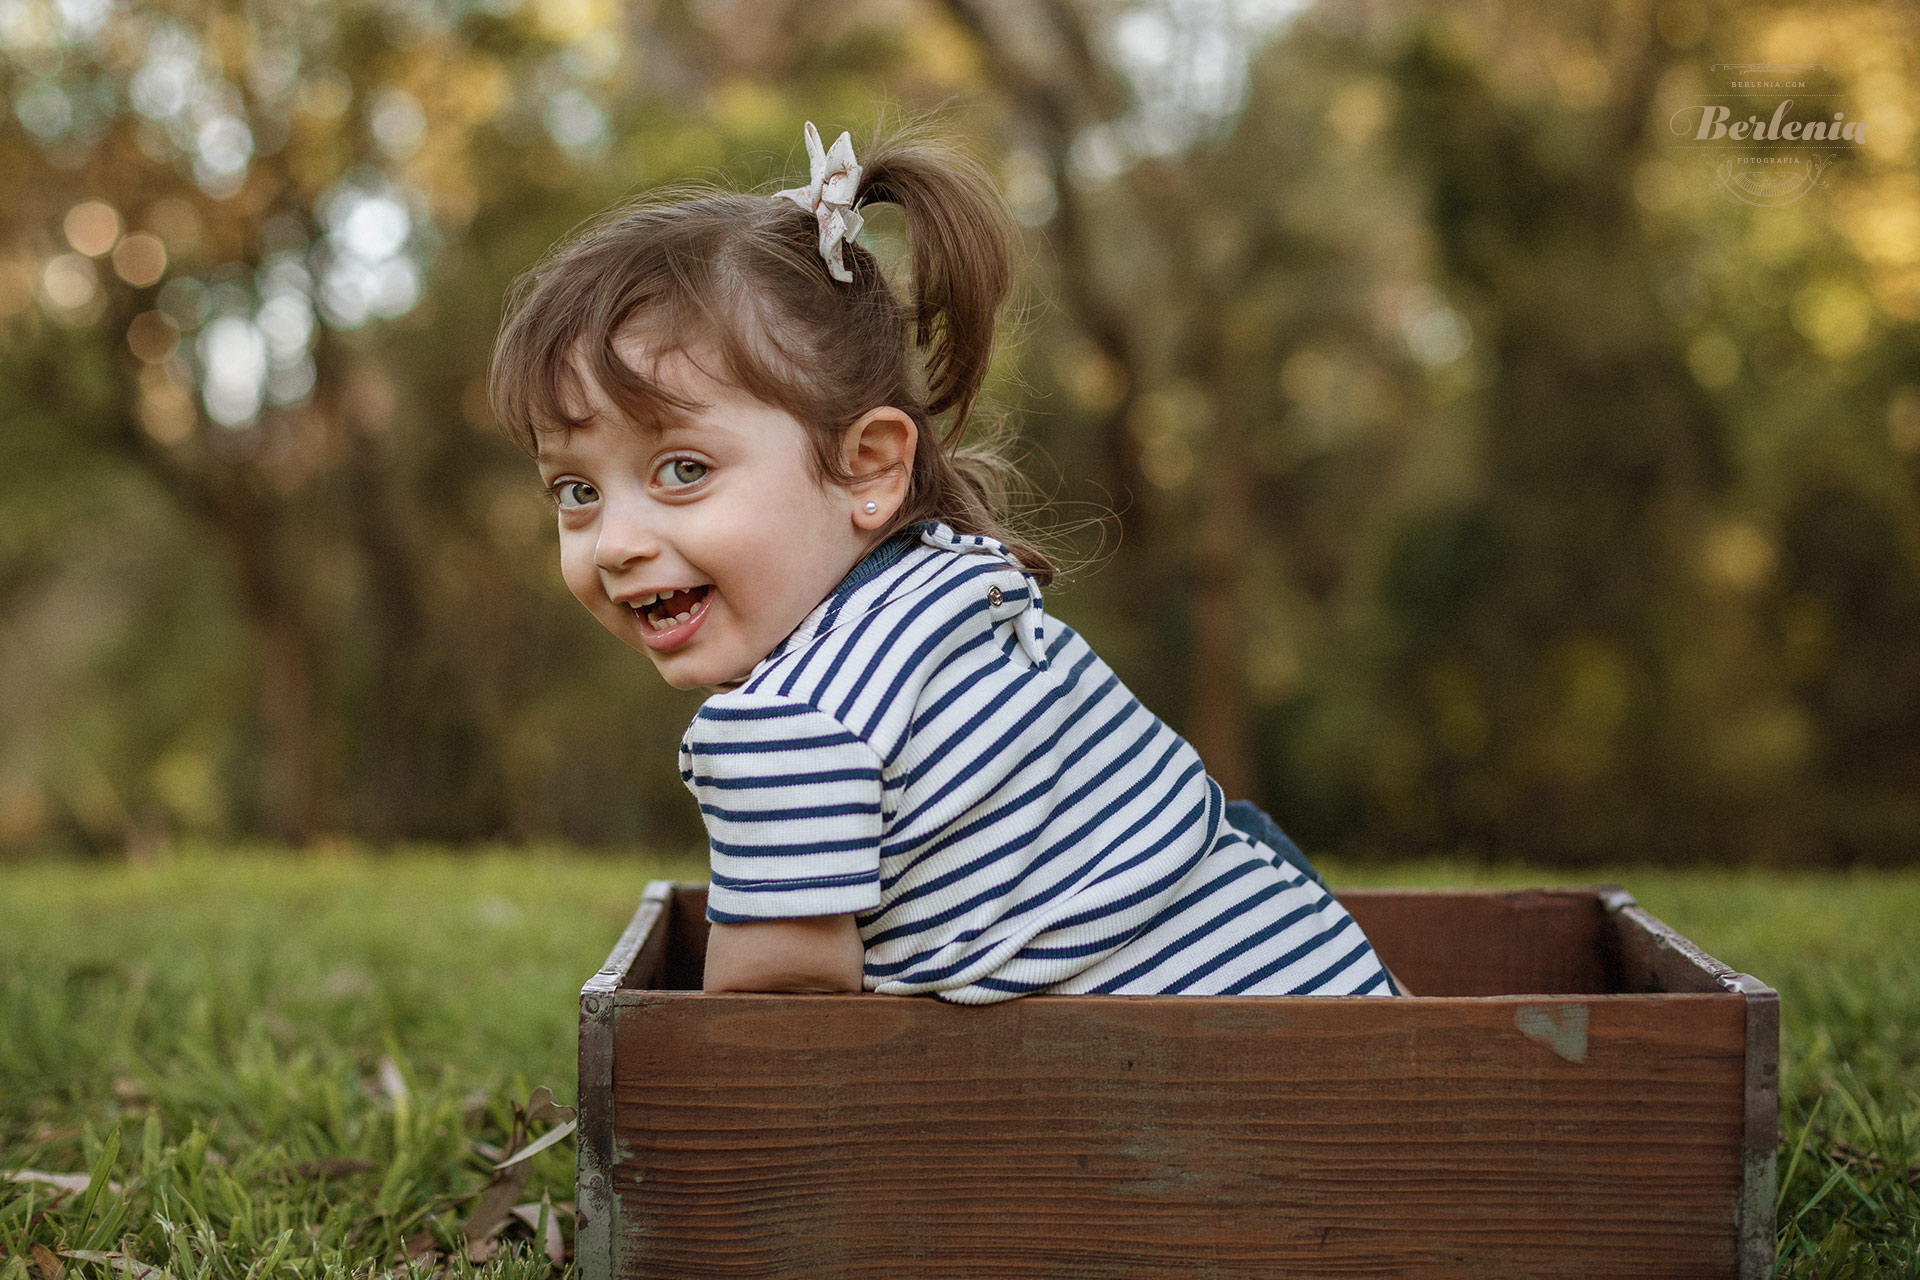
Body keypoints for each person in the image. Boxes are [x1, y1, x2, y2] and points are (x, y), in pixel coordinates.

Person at [489, 121, 1400, 1003]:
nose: (616, 543)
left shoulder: (788, 720)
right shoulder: (954, 581)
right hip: (1317, 977)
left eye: (682, 470)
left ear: (870, 467)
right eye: (576, 492)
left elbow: (778, 989)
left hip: (1237, 1083)